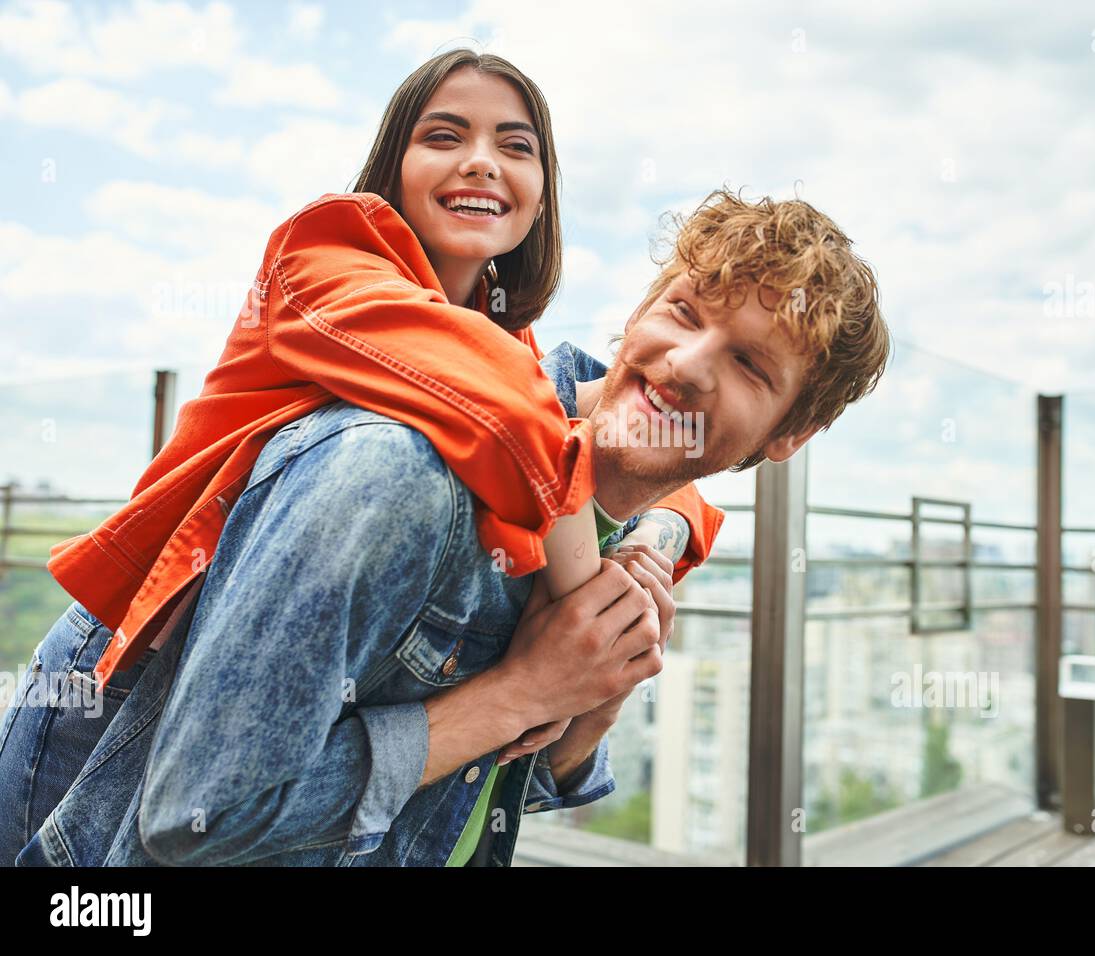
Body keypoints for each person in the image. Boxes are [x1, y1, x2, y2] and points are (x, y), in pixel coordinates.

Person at [8, 186, 890, 867]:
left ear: (789, 437)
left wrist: (596, 693)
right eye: (685, 313)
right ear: (638, 311)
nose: (688, 365)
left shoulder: (631, 529)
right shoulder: (402, 473)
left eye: (747, 364)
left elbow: (509, 783)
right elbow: (199, 814)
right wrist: (520, 694)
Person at [0, 48, 723, 862]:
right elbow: (528, 414)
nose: (481, 160)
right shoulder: (326, 257)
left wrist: (651, 546)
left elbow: (650, 461)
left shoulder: (498, 337)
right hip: (123, 682)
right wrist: (578, 624)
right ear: (395, 166)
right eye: (445, 135)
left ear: (541, 194)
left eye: (516, 146)